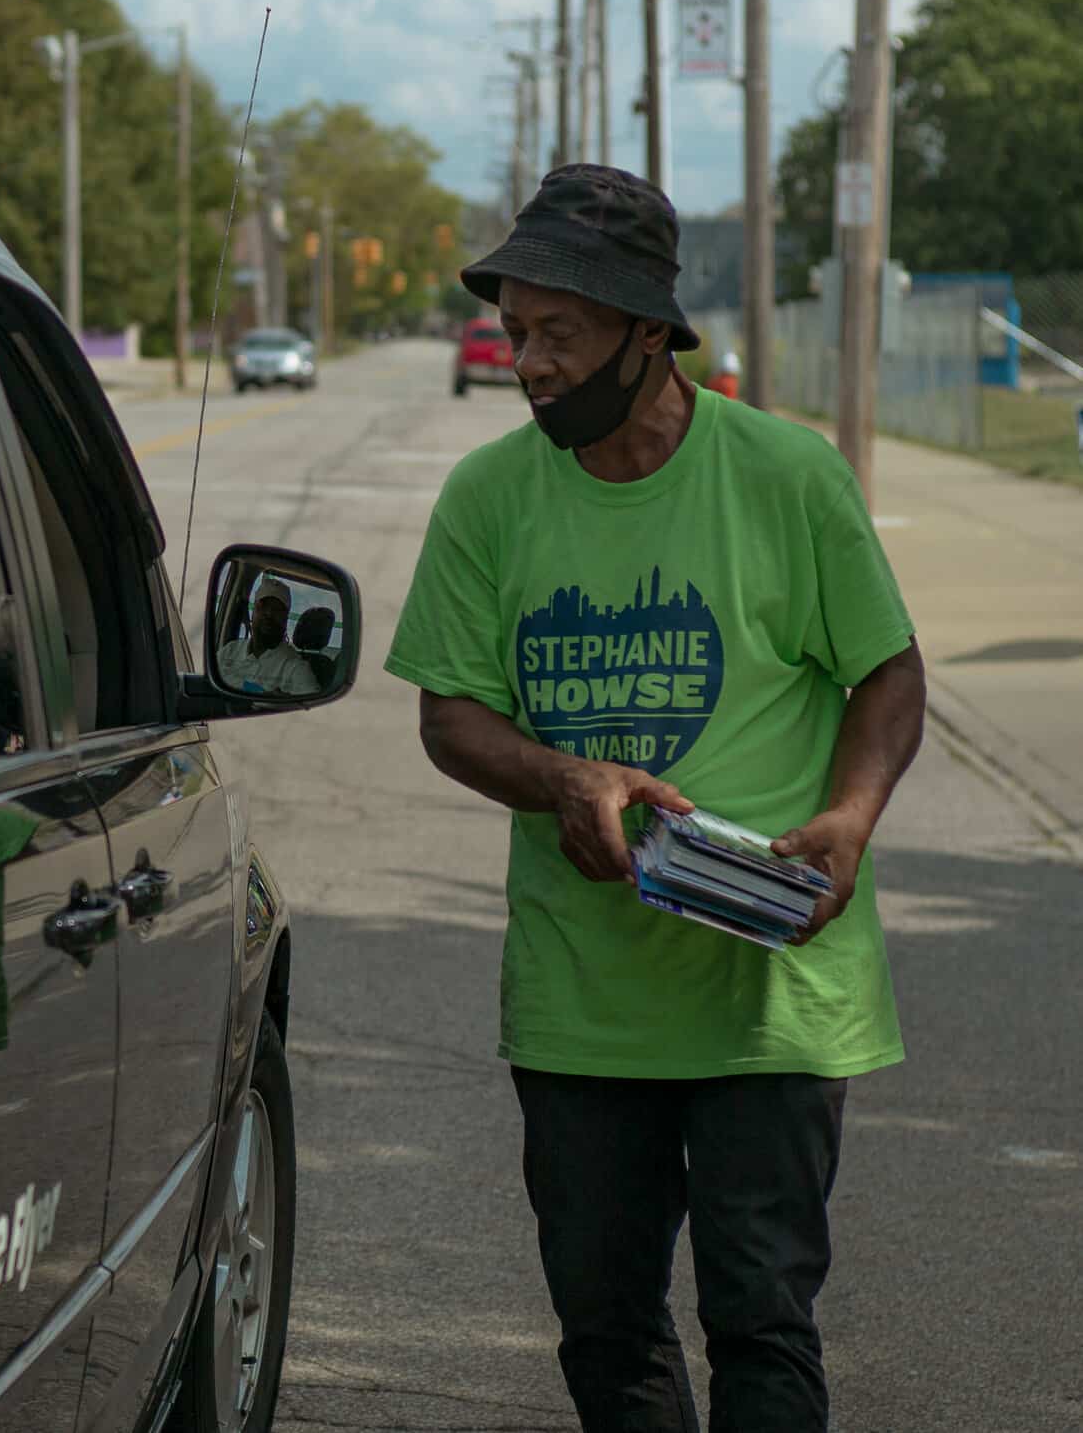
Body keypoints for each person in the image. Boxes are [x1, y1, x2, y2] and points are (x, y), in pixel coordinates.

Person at [383, 164, 926, 1433]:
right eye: (516, 332)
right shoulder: (489, 498)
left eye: (557, 334)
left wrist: (848, 814)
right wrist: (563, 776)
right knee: (607, 1331)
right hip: (585, 1001)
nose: (528, 363)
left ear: (646, 331)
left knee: (759, 1321)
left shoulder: (786, 477)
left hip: (772, 987)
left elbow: (886, 670)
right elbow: (448, 714)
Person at [215, 576, 321, 696]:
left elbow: (312, 707)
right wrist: (261, 692)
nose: (269, 614)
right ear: (253, 612)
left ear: (286, 619)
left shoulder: (295, 667)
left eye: (277, 609)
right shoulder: (229, 650)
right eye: (262, 607)